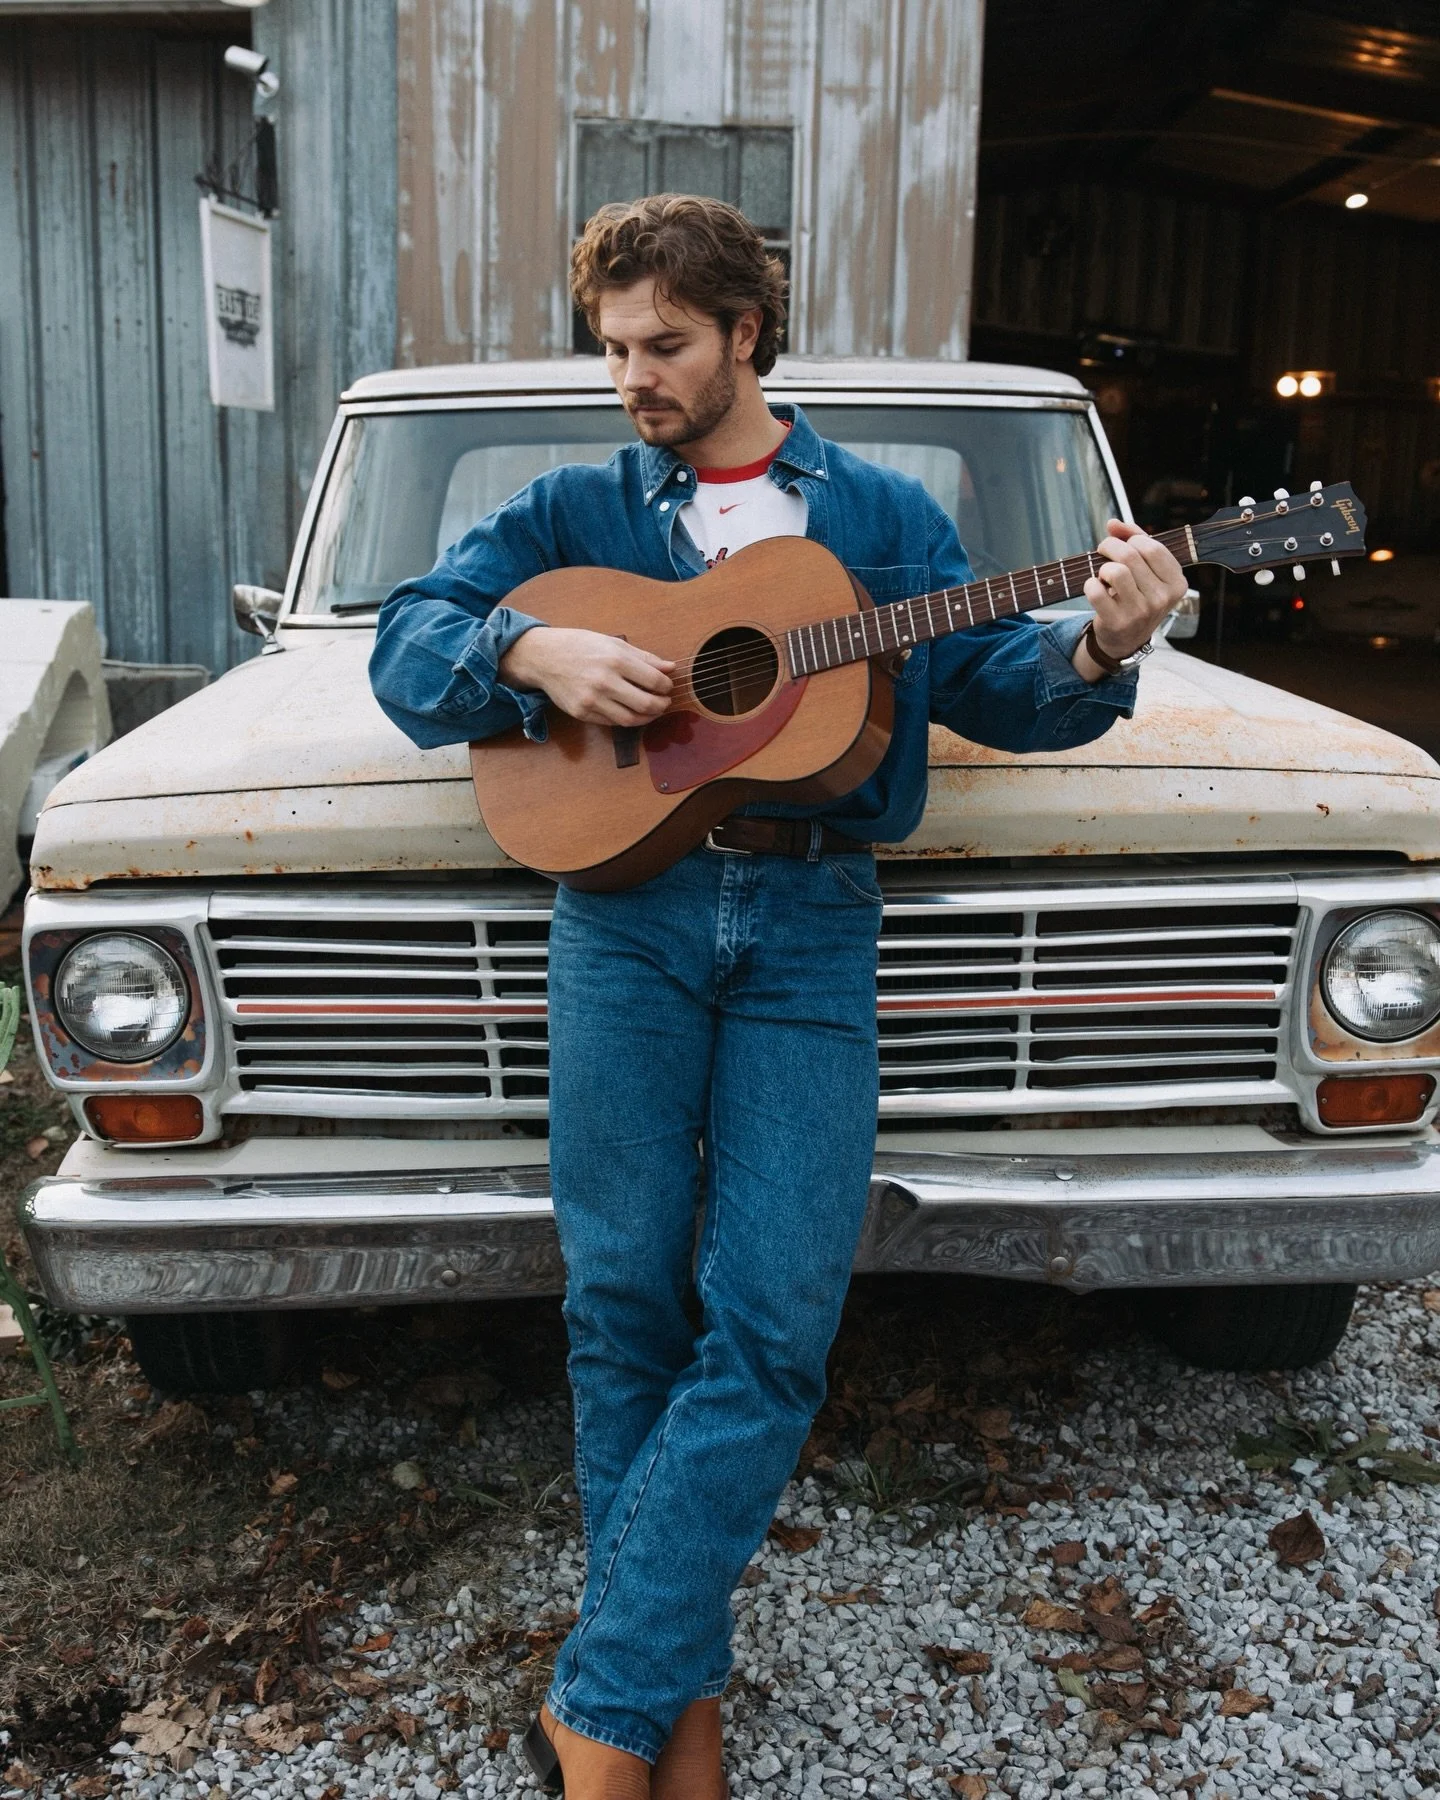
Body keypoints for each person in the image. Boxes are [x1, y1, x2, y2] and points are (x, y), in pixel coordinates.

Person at [370, 193, 1185, 1799]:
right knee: (623, 1304)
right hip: (623, 913)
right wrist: (531, 656)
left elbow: (1001, 692)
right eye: (611, 348)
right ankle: (676, 1709)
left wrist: (1098, 651)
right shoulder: (579, 502)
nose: (631, 380)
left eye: (662, 345)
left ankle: (600, 1702)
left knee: (773, 1322)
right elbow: (413, 639)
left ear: (747, 331)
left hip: (813, 924)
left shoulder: (881, 519)